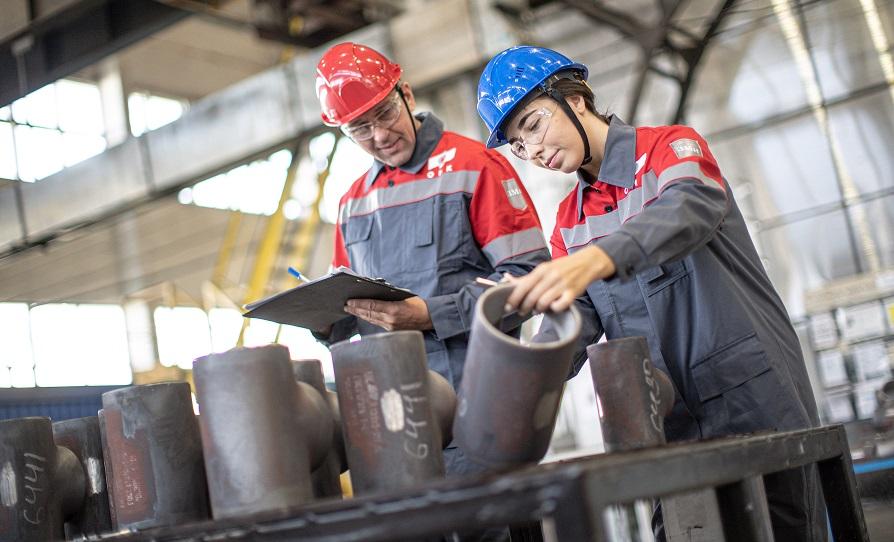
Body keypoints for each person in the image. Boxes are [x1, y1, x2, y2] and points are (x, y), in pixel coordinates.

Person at [476, 45, 826, 541]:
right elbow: (570, 325)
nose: (531, 150)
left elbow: (691, 207)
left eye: (532, 125)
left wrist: (598, 259)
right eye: (517, 145)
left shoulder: (669, 149)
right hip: (667, 422)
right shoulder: (569, 224)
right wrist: (515, 387)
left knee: (783, 530)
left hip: (753, 399)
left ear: (575, 99)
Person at [313, 42, 551, 476]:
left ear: (406, 93)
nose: (380, 136)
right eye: (359, 129)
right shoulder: (353, 204)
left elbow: (530, 281)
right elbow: (346, 308)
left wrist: (430, 315)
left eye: (384, 113)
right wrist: (322, 321)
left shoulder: (474, 166)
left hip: (478, 413)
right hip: (390, 425)